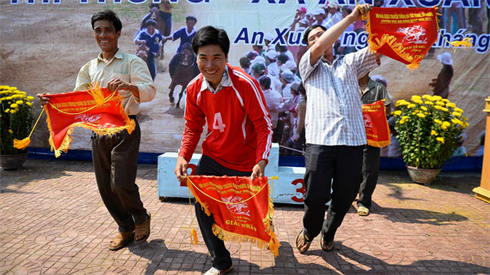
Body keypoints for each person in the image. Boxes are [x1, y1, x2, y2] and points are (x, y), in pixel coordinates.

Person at [37, 10, 155, 251]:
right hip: (98, 132)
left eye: (108, 30)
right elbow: (78, 98)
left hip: (126, 127)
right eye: (98, 30)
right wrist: (53, 102)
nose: (103, 35)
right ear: (94, 34)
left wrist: (128, 85)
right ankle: (125, 228)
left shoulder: (132, 62)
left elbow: (150, 91)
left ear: (118, 33)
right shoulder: (89, 68)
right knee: (105, 186)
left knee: (120, 183)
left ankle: (140, 217)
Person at [174, 26, 273, 275]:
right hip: (213, 156)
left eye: (216, 57)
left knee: (252, 216)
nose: (210, 65)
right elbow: (192, 128)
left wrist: (261, 160)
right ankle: (221, 261)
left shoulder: (246, 84)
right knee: (203, 204)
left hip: (245, 160)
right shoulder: (193, 89)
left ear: (226, 58)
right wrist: (182, 156)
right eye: (203, 58)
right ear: (196, 57)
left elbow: (264, 125)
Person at [295, 4, 376, 254]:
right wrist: (351, 17)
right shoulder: (307, 65)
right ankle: (310, 230)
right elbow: (319, 47)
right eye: (312, 38)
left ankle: (329, 232)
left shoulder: (350, 62)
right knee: (315, 196)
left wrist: (377, 19)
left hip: (352, 142)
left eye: (322, 33)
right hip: (320, 141)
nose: (318, 39)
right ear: (309, 45)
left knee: (345, 196)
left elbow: (380, 48)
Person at [357, 64, 392, 217]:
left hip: (372, 135)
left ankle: (364, 202)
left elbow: (388, 109)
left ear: (368, 70)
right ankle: (349, 195)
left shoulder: (378, 88)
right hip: (351, 134)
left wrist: (371, 110)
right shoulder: (348, 86)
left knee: (369, 169)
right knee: (349, 168)